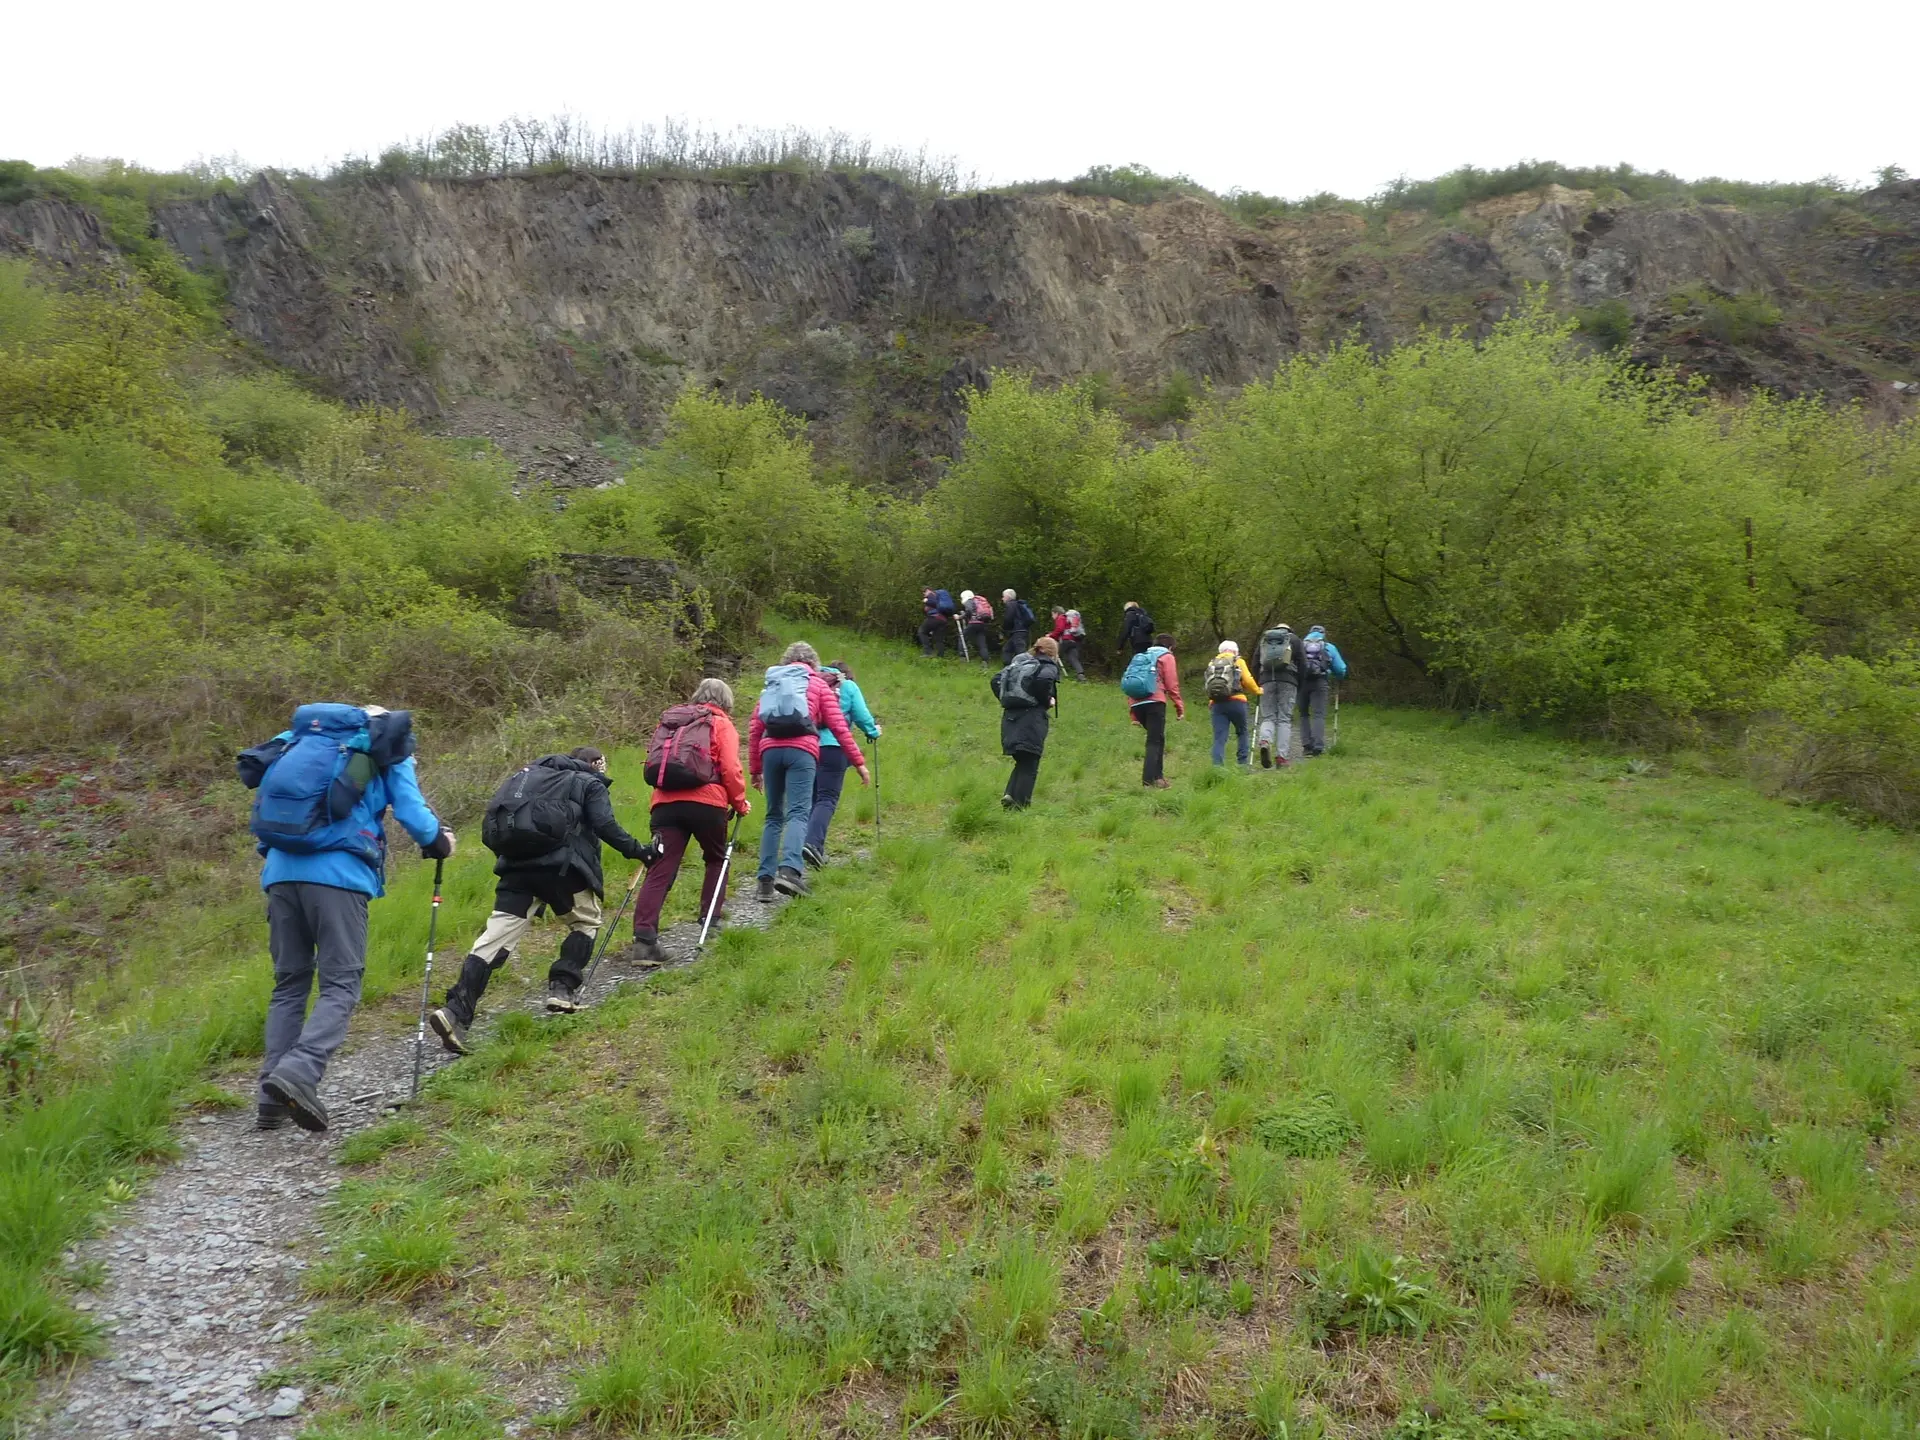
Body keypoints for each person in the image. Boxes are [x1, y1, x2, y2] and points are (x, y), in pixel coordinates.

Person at [237, 703, 453, 1132]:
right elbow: (412, 813)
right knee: (341, 983)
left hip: (280, 874)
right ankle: (299, 1072)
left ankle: (270, 1098)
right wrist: (440, 841)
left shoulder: (299, 741)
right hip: (338, 877)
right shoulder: (380, 746)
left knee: (290, 983)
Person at [429, 746, 654, 1054]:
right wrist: (640, 851)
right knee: (586, 923)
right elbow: (606, 826)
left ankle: (455, 1012)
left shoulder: (526, 779)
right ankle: (562, 988)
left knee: (494, 939)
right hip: (563, 871)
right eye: (602, 765)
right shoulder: (587, 783)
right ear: (593, 764)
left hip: (515, 872)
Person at [619, 679, 753, 967]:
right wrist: (740, 803)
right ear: (726, 701)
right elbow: (730, 769)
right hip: (708, 803)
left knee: (660, 867)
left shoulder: (671, 721)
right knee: (716, 858)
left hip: (665, 804)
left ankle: (644, 940)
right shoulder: (721, 723)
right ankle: (710, 922)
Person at [750, 642, 869, 901]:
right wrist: (859, 762)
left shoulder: (773, 684)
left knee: (773, 815)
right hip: (801, 751)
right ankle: (789, 871)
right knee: (798, 812)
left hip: (770, 750)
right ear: (813, 663)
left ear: (786, 661)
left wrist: (755, 769)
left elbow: (755, 727)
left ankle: (764, 882)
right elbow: (839, 726)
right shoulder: (817, 684)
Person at [804, 660, 881, 868]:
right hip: (834, 748)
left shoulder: (811, 682)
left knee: (812, 799)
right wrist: (874, 731)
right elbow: (862, 716)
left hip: (808, 746)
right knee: (827, 798)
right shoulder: (848, 686)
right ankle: (812, 844)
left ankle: (811, 850)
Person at [992, 636, 1061, 809]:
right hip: (1031, 720)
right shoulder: (1047, 665)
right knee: (1030, 763)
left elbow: (995, 680)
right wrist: (1046, 700)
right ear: (1053, 652)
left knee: (1023, 761)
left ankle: (1010, 796)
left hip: (1010, 718)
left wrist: (1008, 699)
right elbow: (1043, 681)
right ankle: (1021, 805)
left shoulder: (1019, 663)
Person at [1126, 633, 1184, 788]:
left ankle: (1159, 778)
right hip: (1155, 702)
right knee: (1154, 741)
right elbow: (1172, 684)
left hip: (1137, 704)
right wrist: (1179, 707)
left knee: (1158, 739)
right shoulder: (1166, 657)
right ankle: (1148, 781)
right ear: (1170, 647)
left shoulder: (1141, 656)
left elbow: (1130, 681)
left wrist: (1133, 713)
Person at [1203, 639, 1262, 767]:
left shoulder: (1212, 663)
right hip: (1237, 701)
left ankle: (1217, 767)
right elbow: (1247, 680)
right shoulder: (1238, 661)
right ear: (1235, 651)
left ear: (1220, 651)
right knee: (1242, 732)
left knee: (1219, 737)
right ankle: (1242, 764)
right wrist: (1257, 690)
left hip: (1217, 703)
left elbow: (1209, 683)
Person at [1254, 623, 1304, 770]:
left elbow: (1255, 663)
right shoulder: (1294, 639)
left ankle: (1265, 741)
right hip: (1289, 681)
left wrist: (1258, 683)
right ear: (1289, 630)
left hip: (1266, 681)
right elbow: (1303, 663)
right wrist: (1299, 683)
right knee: (1284, 718)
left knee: (1268, 717)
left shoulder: (1265, 639)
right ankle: (1281, 757)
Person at [1297, 625, 1349, 757]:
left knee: (1303, 714)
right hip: (1320, 682)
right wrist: (1336, 675)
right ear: (1323, 634)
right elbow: (1340, 668)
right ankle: (1318, 746)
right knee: (1318, 714)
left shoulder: (1300, 646)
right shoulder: (1328, 647)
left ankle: (1306, 746)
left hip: (1302, 682)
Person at [1049, 607, 1088, 681]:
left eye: (1052, 614)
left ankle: (1055, 675)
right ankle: (1081, 675)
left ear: (1056, 613)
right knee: (1073, 658)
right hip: (1074, 641)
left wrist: (1050, 635)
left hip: (1066, 640)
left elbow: (1060, 629)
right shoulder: (1068, 619)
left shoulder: (1061, 618)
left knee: (1053, 655)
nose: (1052, 616)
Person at [919, 588, 956, 657]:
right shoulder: (939, 598)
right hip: (943, 620)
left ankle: (928, 652)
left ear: (929, 590)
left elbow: (934, 603)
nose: (924, 594)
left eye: (924, 591)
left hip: (935, 618)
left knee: (922, 631)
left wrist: (926, 601)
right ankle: (940, 656)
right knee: (939, 639)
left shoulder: (931, 595)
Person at [1001, 589, 1034, 664]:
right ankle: (1010, 667)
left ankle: (1026, 667)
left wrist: (1004, 629)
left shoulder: (1010, 604)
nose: (1002, 599)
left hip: (1018, 631)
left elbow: (1008, 618)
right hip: (1023, 630)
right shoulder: (1018, 604)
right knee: (1007, 649)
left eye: (1003, 596)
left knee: (1020, 652)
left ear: (1007, 596)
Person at [961, 589, 994, 662]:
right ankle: (985, 660)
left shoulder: (969, 601)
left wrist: (961, 616)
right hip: (982, 623)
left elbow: (969, 611)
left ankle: (962, 656)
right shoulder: (979, 601)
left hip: (973, 623)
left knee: (962, 637)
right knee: (982, 642)